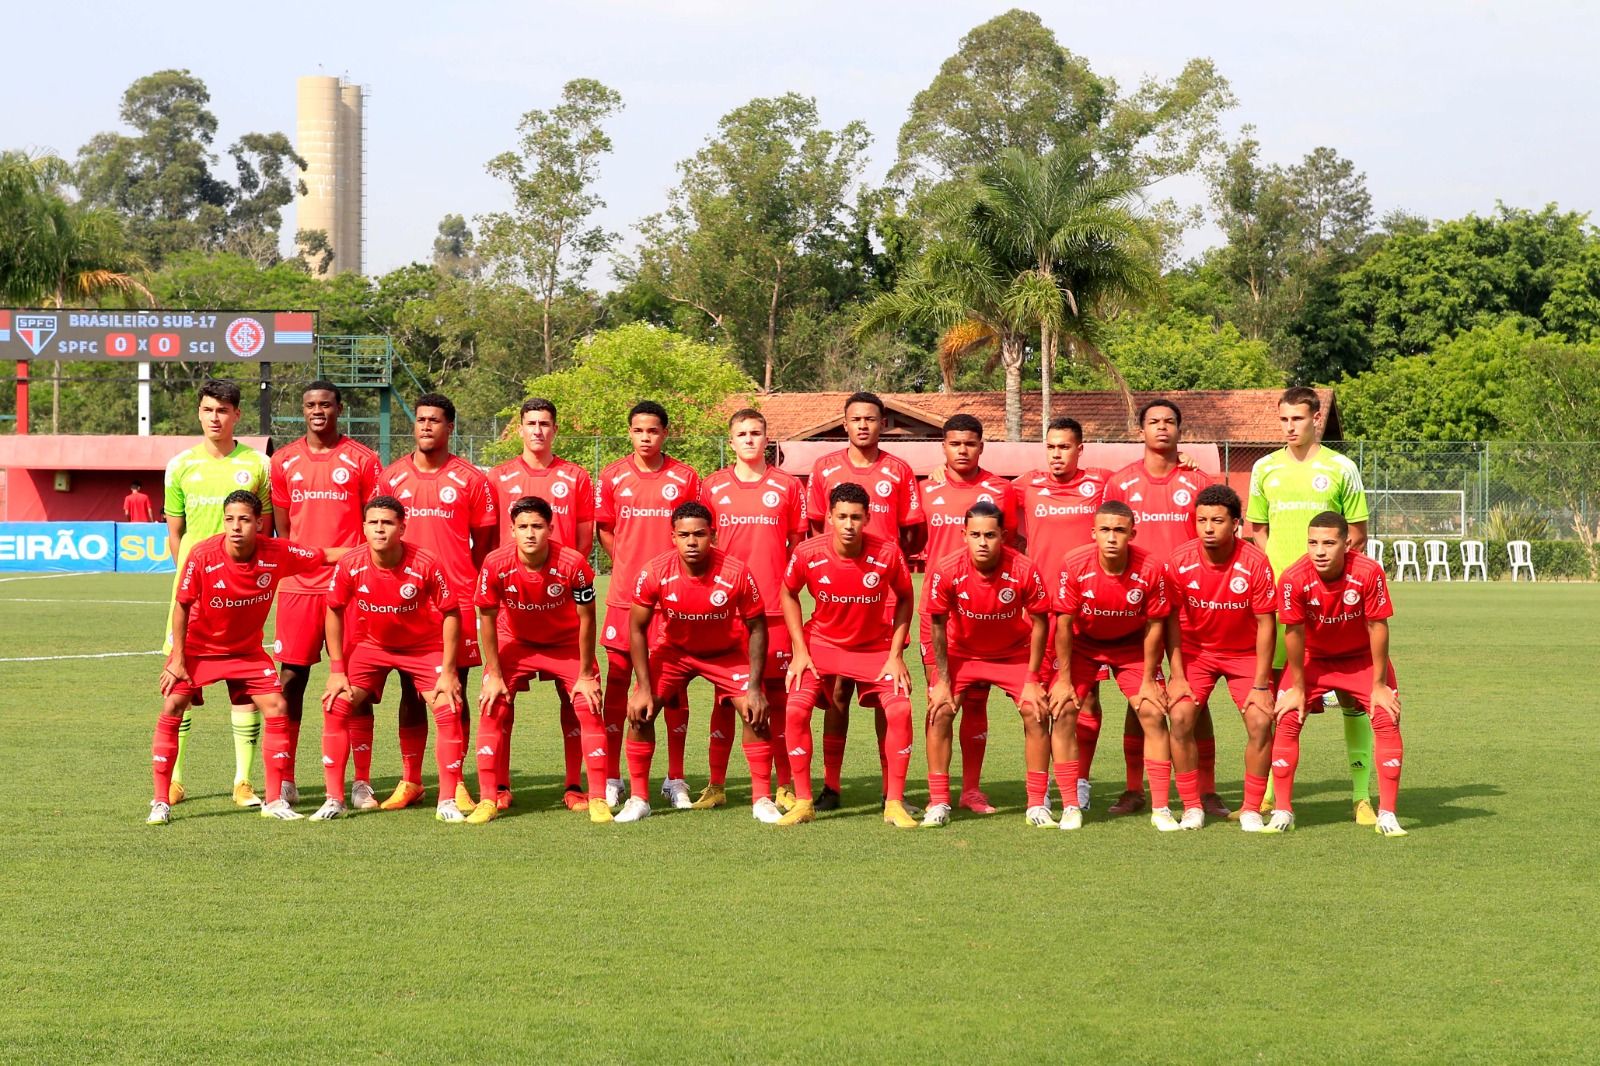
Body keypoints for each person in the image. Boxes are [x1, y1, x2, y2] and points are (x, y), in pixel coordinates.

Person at [146, 491, 339, 824]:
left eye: (244, 519)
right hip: (199, 649)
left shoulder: (278, 552)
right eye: (230, 519)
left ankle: (275, 800)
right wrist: (178, 659)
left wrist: (375, 550)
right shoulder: (203, 555)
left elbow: (324, 555)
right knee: (172, 705)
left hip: (247, 651)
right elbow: (181, 606)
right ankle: (160, 801)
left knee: (277, 706)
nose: (236, 527)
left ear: (259, 523)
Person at [1248, 385, 1377, 825]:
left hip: (1333, 604)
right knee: (1280, 696)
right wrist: (1282, 571)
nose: (1290, 427)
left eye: (1298, 419)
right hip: (1283, 602)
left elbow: (1357, 533)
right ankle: (1269, 793)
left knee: (1354, 699)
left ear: (1315, 418)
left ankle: (1361, 796)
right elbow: (1257, 530)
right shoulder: (1264, 469)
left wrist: (1326, 577)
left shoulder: (1341, 468)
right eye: (1284, 419)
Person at [805, 392, 926, 812]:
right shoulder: (824, 469)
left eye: (870, 419)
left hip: (884, 599)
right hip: (839, 599)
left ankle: (889, 790)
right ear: (844, 423)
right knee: (836, 694)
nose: (863, 426)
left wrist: (887, 569)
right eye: (855, 419)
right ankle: (832, 786)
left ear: (882, 423)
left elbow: (911, 532)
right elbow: (816, 529)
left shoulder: (899, 469)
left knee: (886, 696)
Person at [1101, 399, 1220, 818]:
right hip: (1136, 609)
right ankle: (1136, 789)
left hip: (1190, 607)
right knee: (1143, 699)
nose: (1162, 428)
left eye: (1170, 421)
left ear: (1180, 431)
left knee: (1193, 701)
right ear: (1141, 430)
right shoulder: (1120, 483)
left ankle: (1205, 791)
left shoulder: (1198, 480)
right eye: (1154, 422)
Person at [377, 393, 496, 813]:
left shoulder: (471, 479)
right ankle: (411, 780)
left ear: (450, 428)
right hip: (404, 602)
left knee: (454, 690)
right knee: (410, 690)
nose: (426, 426)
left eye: (435, 421)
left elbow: (484, 547)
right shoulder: (391, 477)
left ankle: (457, 779)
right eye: (421, 419)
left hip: (457, 599)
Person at [269, 381, 383, 810]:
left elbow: (376, 521)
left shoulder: (363, 460)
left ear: (340, 408)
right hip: (299, 587)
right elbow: (283, 529)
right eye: (310, 405)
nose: (318, 411)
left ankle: (361, 782)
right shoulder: (283, 461)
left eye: (325, 405)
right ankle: (286, 778)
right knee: (291, 680)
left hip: (350, 586)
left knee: (356, 684)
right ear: (303, 410)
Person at [317, 496, 466, 822]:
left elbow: (451, 613)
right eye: (373, 523)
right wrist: (337, 669)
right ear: (364, 527)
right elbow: (334, 609)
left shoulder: (426, 562)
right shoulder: (351, 563)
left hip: (423, 648)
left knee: (448, 707)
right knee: (336, 702)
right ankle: (334, 799)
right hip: (371, 647)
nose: (380, 529)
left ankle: (447, 802)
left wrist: (449, 671)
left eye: (387, 523)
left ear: (402, 527)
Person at [161, 379, 274, 809]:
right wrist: (192, 580)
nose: (215, 417)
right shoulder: (180, 465)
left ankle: (243, 781)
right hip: (194, 593)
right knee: (180, 681)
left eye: (223, 411)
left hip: (242, 593)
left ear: (236, 416)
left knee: (243, 684)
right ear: (199, 412)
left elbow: (264, 528)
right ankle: (175, 779)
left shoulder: (257, 463)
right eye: (208, 409)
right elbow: (176, 534)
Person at [778, 483, 917, 828]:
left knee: (899, 708)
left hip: (873, 648)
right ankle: (804, 801)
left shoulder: (887, 553)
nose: (849, 524)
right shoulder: (809, 552)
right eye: (842, 516)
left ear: (868, 518)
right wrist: (799, 650)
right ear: (829, 518)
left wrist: (895, 654)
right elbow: (787, 592)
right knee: (795, 708)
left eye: (856, 516)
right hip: (822, 645)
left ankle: (894, 802)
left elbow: (905, 598)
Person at [622, 502, 770, 823]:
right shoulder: (654, 571)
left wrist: (755, 687)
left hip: (725, 653)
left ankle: (762, 800)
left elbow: (758, 626)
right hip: (674, 653)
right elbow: (636, 627)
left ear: (712, 535)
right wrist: (643, 688)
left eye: (700, 534)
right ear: (672, 537)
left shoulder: (736, 571)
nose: (692, 541)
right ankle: (638, 799)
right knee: (639, 713)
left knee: (755, 713)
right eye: (684, 535)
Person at [1267, 511, 1406, 837]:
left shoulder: (1368, 572)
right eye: (1313, 542)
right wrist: (1298, 687)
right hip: (1314, 659)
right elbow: (1293, 633)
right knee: (1287, 716)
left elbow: (1377, 625)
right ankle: (1282, 811)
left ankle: (1387, 814)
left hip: (1360, 659)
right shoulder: (1293, 578)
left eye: (1329, 543)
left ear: (1347, 543)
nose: (1319, 551)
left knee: (1386, 715)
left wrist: (1380, 684)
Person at [488, 397, 597, 811]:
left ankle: (574, 786)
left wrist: (564, 578)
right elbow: (488, 542)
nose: (538, 430)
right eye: (531, 423)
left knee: (575, 700)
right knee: (501, 698)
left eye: (545, 424)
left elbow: (583, 542)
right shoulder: (498, 478)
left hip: (563, 608)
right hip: (513, 609)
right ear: (520, 429)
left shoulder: (575, 476)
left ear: (555, 430)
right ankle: (498, 787)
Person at [697, 408, 808, 811]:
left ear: (767, 439)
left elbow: (798, 544)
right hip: (725, 610)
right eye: (741, 433)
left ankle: (783, 784)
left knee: (774, 698)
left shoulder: (788, 487)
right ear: (731, 442)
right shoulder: (712, 487)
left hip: (773, 610)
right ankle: (717, 784)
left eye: (756, 433)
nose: (749, 439)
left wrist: (784, 588)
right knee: (723, 699)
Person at [1047, 501, 1179, 832]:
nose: (1111, 537)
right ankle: (1070, 806)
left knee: (1151, 711)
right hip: (1083, 646)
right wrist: (1063, 679)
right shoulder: (1075, 564)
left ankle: (1161, 808)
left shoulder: (1151, 567)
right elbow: (1063, 623)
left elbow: (1155, 625)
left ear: (1132, 533)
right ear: (1093, 533)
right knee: (1062, 711)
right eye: (1104, 530)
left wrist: (1149, 679)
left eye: (1119, 530)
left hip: (1132, 647)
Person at [596, 401, 703, 810]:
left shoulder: (685, 477)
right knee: (620, 682)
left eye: (654, 431)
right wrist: (628, 563)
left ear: (665, 433)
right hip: (625, 597)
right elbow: (607, 531)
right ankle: (611, 776)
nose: (646, 437)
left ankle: (675, 778)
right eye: (639, 430)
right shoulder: (612, 476)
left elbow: (695, 531)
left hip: (673, 601)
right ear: (630, 433)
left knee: (673, 688)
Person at [471, 495, 603, 824]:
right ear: (512, 530)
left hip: (564, 642)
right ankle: (491, 795)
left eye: (537, 526)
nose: (530, 533)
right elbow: (486, 619)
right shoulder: (494, 564)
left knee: (587, 704)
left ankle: (589, 793)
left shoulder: (573, 563)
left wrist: (586, 673)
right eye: (523, 527)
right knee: (493, 704)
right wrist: (496, 674)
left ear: (550, 529)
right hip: (514, 641)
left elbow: (588, 619)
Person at [916, 414, 1022, 815]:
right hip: (939, 615)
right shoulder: (926, 490)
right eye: (954, 443)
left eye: (970, 443)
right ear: (943, 446)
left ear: (982, 446)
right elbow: (911, 538)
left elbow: (1014, 541)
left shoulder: (1001, 490)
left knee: (977, 703)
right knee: (941, 702)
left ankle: (972, 790)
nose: (962, 450)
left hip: (987, 610)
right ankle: (938, 795)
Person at [922, 501, 1051, 828]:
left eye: (990, 535)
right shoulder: (947, 568)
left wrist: (1033, 678)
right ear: (963, 534)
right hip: (962, 651)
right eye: (975, 534)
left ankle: (1037, 803)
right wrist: (942, 681)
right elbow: (937, 624)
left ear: (1003, 536)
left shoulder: (1023, 568)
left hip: (1013, 652)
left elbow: (1040, 621)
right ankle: (938, 802)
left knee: (1035, 710)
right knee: (940, 711)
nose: (982, 542)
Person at [1161, 485, 1278, 832]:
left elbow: (1266, 625)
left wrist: (1260, 684)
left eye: (1217, 520)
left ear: (1236, 524)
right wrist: (1177, 675)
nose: (1208, 528)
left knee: (1260, 722)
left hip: (1244, 656)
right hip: (1198, 654)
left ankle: (1252, 808)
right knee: (1180, 717)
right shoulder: (1179, 561)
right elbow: (1171, 621)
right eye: (1201, 520)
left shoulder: (1255, 561)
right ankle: (1192, 805)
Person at [1013, 416, 1112, 814]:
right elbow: (982, 491)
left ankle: (1080, 779)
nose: (1057, 454)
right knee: (1037, 700)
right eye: (1051, 447)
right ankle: (1043, 785)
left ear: (1080, 449)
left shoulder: (1101, 483)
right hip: (1039, 611)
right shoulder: (1025, 484)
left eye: (1065, 447)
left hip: (1087, 611)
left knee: (1084, 699)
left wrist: (1187, 461)